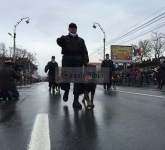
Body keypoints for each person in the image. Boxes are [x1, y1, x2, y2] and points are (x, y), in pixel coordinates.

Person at [56, 22, 89, 109]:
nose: (73, 29)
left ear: (76, 29)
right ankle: (66, 91)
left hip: (78, 61)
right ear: (68, 29)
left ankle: (76, 101)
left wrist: (86, 61)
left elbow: (85, 52)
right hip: (67, 60)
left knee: (77, 81)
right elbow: (58, 42)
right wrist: (61, 38)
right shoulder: (65, 38)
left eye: (74, 28)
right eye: (71, 28)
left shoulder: (81, 40)